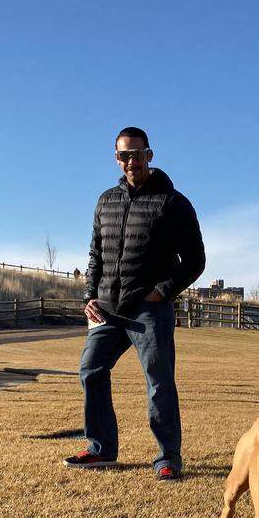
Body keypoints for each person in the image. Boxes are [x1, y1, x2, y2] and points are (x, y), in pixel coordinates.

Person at [64, 127, 205, 479]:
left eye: (139, 154)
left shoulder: (173, 203)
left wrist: (162, 292)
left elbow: (195, 260)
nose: (132, 161)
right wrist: (89, 295)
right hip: (107, 308)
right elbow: (95, 254)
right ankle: (101, 450)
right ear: (116, 158)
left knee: (159, 382)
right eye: (125, 155)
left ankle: (168, 458)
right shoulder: (105, 201)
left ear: (150, 155)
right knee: (91, 371)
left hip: (149, 309)